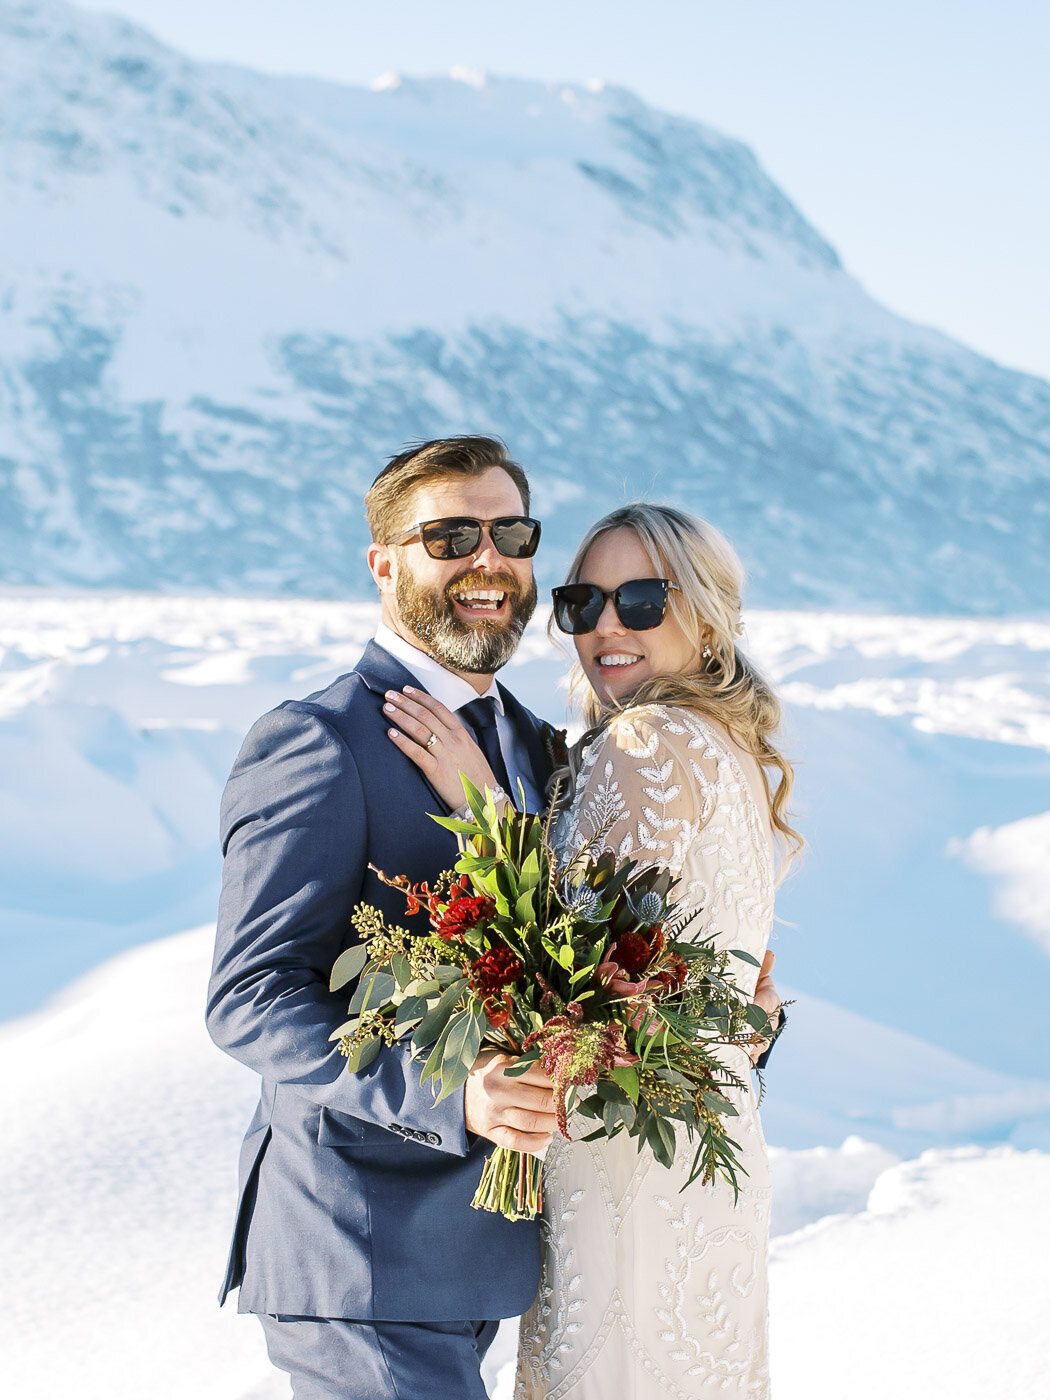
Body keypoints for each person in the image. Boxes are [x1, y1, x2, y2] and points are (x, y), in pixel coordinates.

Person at [385, 501, 798, 1399]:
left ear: (705, 611)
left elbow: (580, 969)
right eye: (582, 604)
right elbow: (675, 969)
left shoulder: (642, 742)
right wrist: (744, 1028)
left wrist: (484, 809)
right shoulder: (724, 744)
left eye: (642, 600)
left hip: (624, 1165)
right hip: (708, 1155)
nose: (607, 627)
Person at [206, 436, 563, 1400]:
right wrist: (456, 1097)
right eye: (450, 536)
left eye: (511, 533)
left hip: (479, 1257)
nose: (488, 560)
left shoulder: (533, 747)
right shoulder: (318, 742)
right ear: (385, 563)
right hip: (357, 1250)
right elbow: (249, 998)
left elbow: (555, 961)